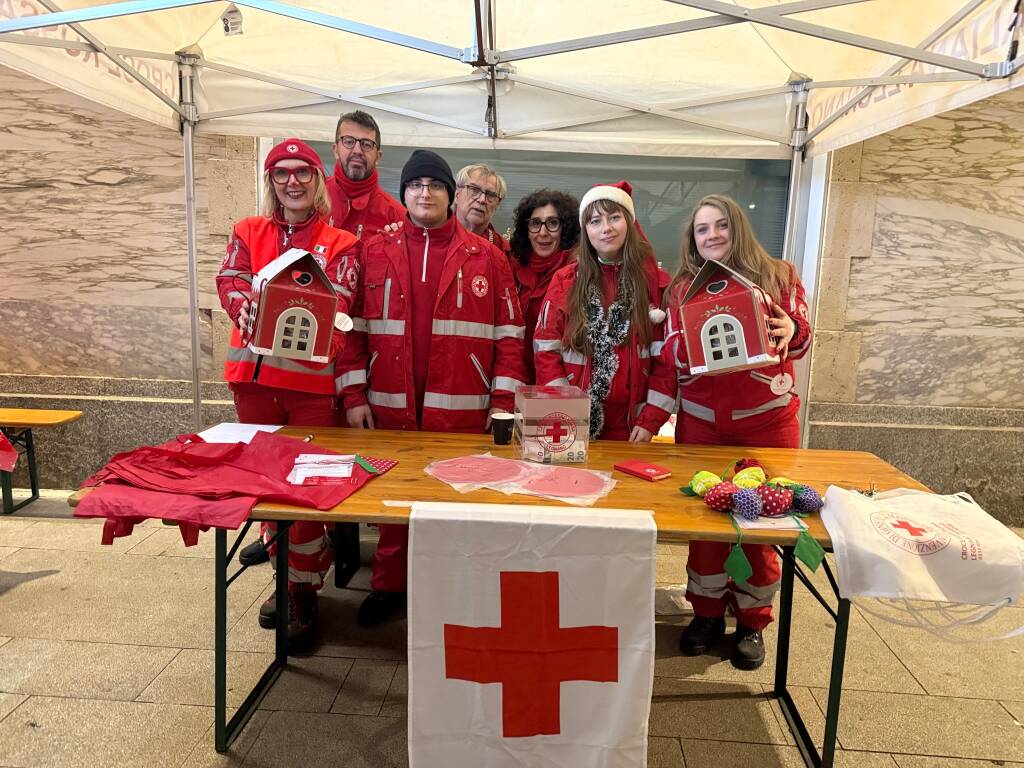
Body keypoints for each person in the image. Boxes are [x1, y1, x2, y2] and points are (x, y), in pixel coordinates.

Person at [336, 150, 527, 626]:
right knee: (396, 498)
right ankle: (388, 585)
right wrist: (354, 395)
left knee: (459, 501)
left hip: (462, 408)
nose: (425, 193)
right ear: (405, 193)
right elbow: (351, 329)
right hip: (389, 404)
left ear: (450, 194)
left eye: (435, 185)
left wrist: (503, 401)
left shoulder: (487, 257)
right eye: (416, 184)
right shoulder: (374, 249)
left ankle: (455, 590)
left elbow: (509, 335)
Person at [215, 138, 361, 652]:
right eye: (282, 173)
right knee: (265, 486)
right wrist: (243, 306)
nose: (292, 181)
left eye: (302, 172)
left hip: (307, 390)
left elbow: (343, 302)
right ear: (271, 182)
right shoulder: (247, 230)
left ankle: (303, 590)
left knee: (302, 492)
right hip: (252, 385)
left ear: (317, 181)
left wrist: (328, 328)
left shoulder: (341, 242)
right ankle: (280, 575)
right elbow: (229, 278)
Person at [657, 193, 811, 671]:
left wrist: (793, 328)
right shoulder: (681, 289)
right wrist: (681, 348)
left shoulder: (779, 276)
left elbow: (801, 337)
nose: (713, 236)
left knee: (761, 525)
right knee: (706, 528)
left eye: (721, 225)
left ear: (737, 227)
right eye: (702, 229)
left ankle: (752, 620)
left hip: (767, 425)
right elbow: (669, 356)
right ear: (693, 239)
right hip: (703, 426)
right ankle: (705, 614)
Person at [533, 181, 676, 442]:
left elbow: (665, 362)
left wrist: (651, 420)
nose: (606, 228)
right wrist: (566, 410)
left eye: (614, 218)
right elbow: (546, 349)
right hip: (573, 423)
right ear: (585, 230)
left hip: (634, 426)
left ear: (629, 223)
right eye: (595, 221)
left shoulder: (657, 283)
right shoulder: (565, 280)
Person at [508, 189, 580, 384]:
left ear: (566, 228)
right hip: (515, 380)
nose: (543, 233)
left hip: (561, 384)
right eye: (535, 223)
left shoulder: (577, 273)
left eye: (552, 223)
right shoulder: (511, 269)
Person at [325, 110, 404, 239]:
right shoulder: (311, 200)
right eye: (349, 141)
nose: (357, 151)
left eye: (366, 144)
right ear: (335, 150)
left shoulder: (397, 218)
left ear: (378, 157)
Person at [453, 163, 509, 256]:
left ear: (497, 205)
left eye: (491, 195)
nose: (482, 199)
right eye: (474, 190)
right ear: (457, 195)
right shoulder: (434, 237)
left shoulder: (504, 251)